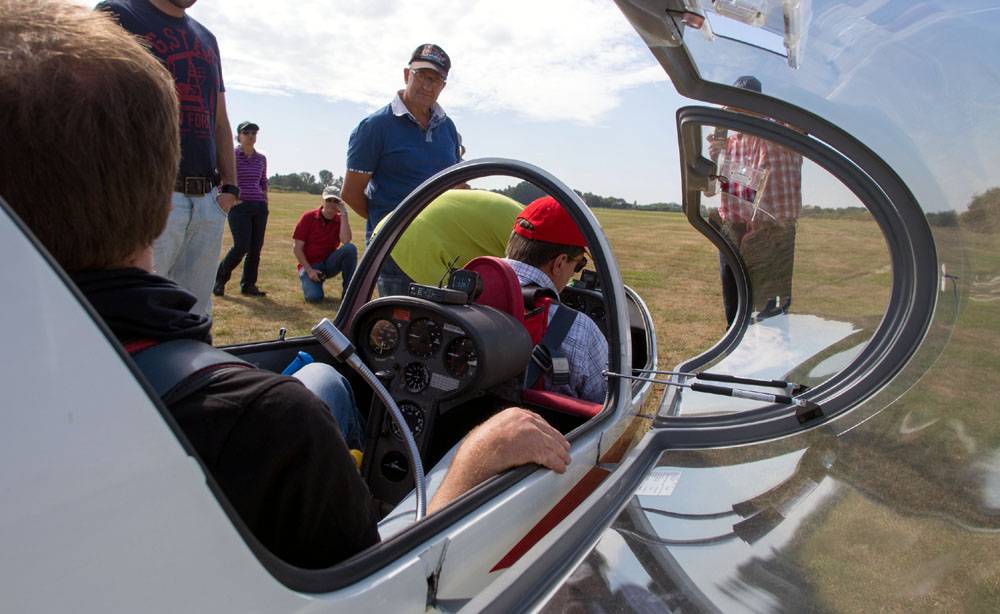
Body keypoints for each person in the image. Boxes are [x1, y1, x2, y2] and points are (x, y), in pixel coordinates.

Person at [0, 0, 570, 569]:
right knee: (330, 385)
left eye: (439, 78)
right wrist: (473, 463)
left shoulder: (43, 379)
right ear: (157, 197)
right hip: (393, 247)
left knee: (325, 375)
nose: (431, 85)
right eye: (423, 75)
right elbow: (373, 592)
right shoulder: (273, 427)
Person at [97, 0, 238, 317]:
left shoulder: (207, 38)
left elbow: (219, 119)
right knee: (136, 314)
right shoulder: (118, 14)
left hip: (207, 202)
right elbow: (96, 104)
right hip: (151, 199)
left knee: (195, 316)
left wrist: (230, 187)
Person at [342, 44, 463, 244]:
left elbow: (455, 183)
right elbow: (351, 193)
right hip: (390, 253)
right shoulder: (375, 126)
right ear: (407, 75)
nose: (427, 85)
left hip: (439, 246)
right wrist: (390, 225)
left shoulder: (448, 127)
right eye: (421, 75)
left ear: (443, 86)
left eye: (435, 80)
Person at [708, 75, 803, 325]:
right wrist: (717, 155)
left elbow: (760, 181)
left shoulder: (774, 133)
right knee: (735, 302)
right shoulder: (731, 142)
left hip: (771, 229)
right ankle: (734, 337)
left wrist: (727, 171)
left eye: (742, 104)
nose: (735, 111)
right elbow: (736, 182)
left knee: (770, 310)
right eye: (732, 105)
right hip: (736, 226)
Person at [504, 197, 609, 403]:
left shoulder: (462, 295)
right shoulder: (580, 330)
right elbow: (606, 402)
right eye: (578, 265)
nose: (574, 274)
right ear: (560, 263)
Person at [371, 189, 524, 296]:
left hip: (390, 232)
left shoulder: (523, 217)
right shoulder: (528, 233)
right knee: (414, 334)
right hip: (410, 245)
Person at [213, 120, 269, 297]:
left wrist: (265, 200)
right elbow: (221, 177)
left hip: (259, 206)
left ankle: (248, 285)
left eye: (254, 133)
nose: (251, 136)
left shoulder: (261, 159)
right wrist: (229, 196)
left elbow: (263, 181)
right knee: (241, 246)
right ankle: (219, 279)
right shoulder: (232, 155)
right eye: (247, 133)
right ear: (239, 136)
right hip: (240, 206)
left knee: (255, 248)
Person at [293, 186, 358, 303]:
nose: (332, 204)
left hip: (329, 263)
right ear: (322, 201)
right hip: (310, 265)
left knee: (350, 249)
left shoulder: (340, 219)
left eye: (336, 201)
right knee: (314, 297)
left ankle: (349, 293)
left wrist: (344, 214)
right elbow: (297, 249)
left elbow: (346, 241)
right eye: (329, 200)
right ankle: (313, 282)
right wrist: (309, 270)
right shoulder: (308, 217)